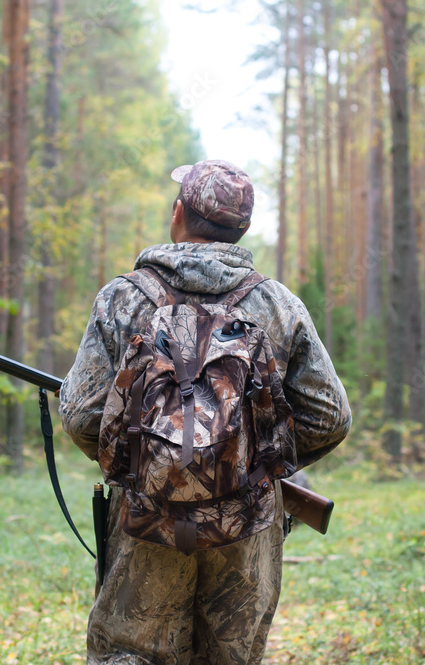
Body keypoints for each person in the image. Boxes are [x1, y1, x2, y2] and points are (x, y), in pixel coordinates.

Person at [59, 159, 351, 664]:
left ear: (178, 215)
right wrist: (248, 461)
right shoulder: (278, 306)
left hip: (142, 519)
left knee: (130, 654)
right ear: (241, 230)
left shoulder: (122, 299)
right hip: (248, 523)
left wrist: (151, 462)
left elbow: (83, 415)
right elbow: (330, 417)